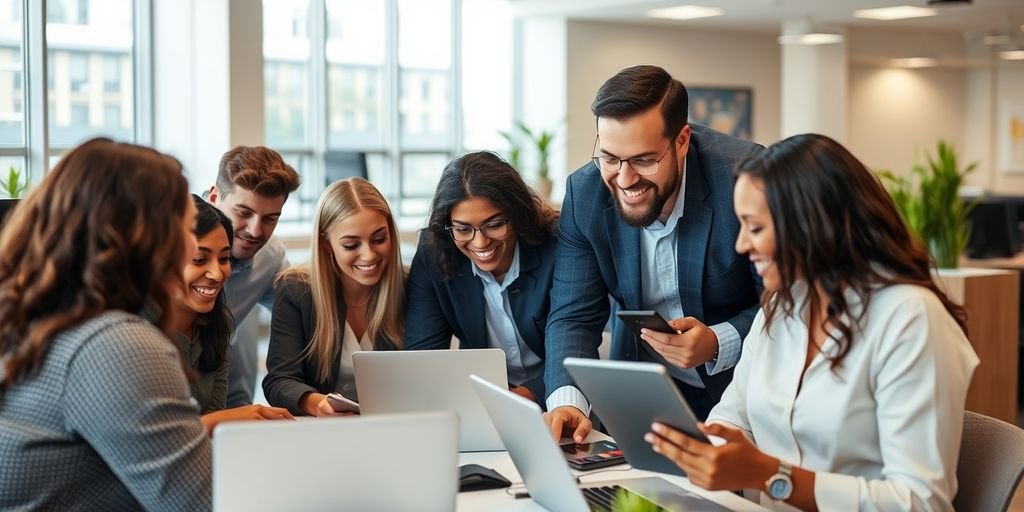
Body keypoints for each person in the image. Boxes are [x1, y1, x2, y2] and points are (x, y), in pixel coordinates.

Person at [645, 133, 979, 511]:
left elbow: (920, 502)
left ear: (811, 225)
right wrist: (706, 449)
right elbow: (733, 417)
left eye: (755, 228)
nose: (741, 245)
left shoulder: (910, 319)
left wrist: (768, 475)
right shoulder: (780, 307)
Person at [544, 64, 763, 442]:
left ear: (681, 141)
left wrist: (718, 340)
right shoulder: (584, 195)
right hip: (645, 391)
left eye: (644, 160)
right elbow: (572, 315)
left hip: (742, 392)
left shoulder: (745, 180)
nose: (625, 179)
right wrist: (569, 402)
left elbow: (787, 303)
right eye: (611, 158)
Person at [0, 138, 211, 510]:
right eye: (190, 226)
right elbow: (205, 506)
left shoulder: (30, 320)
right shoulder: (114, 344)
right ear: (148, 234)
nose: (192, 244)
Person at [405, 151, 559, 405]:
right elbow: (423, 359)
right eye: (463, 229)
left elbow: (572, 338)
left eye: (494, 224)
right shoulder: (433, 253)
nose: (480, 242)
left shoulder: (556, 244)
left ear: (517, 214)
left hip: (557, 399)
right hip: (481, 403)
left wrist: (521, 397)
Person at [263, 177, 405, 416]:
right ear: (326, 243)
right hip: (323, 432)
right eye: (351, 245)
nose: (369, 255)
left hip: (396, 426)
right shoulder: (296, 291)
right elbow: (279, 381)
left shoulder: (412, 287)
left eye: (379, 239)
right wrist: (317, 404)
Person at [171, 195, 294, 432]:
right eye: (199, 259)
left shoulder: (219, 323)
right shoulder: (137, 330)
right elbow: (148, 434)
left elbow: (213, 415)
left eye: (224, 258)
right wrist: (235, 416)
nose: (217, 274)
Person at [206, 145, 301, 407]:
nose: (255, 231)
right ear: (214, 198)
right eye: (243, 213)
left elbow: (300, 318)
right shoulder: (170, 241)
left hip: (225, 378)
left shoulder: (270, 258)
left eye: (271, 218)